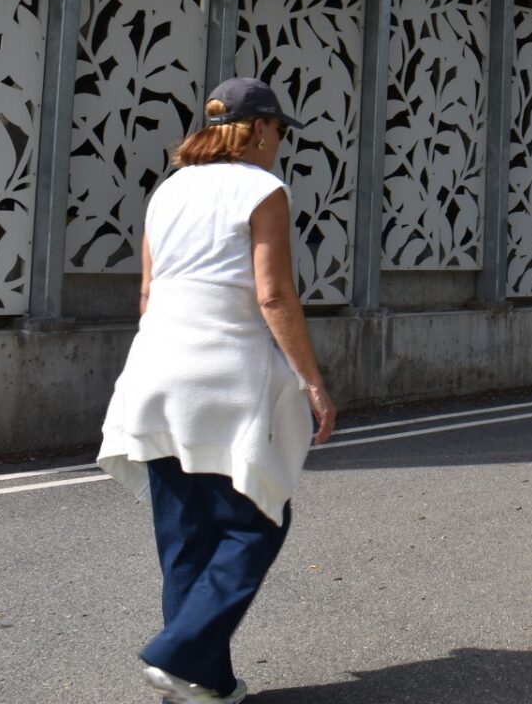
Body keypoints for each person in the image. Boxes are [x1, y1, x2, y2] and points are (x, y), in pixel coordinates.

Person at [98, 77, 337, 704]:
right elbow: (273, 295)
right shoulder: (264, 189)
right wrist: (313, 382)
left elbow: (147, 293)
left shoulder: (167, 191)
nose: (280, 144)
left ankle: (206, 680)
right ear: (259, 129)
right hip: (224, 377)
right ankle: (178, 654)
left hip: (154, 369)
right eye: (280, 131)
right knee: (259, 519)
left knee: (185, 533)